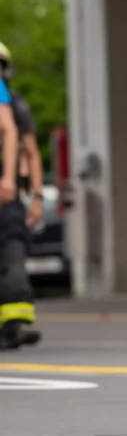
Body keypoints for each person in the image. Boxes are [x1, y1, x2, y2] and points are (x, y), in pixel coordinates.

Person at [0, 43, 42, 349]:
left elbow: (30, 150)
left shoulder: (12, 102)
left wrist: (36, 195)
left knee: (13, 253)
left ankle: (16, 324)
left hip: (6, 193)